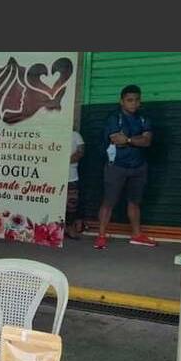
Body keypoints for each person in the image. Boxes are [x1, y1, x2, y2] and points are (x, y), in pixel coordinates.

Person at [94, 84, 156, 250]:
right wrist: (137, 139)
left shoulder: (143, 119)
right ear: (122, 101)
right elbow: (116, 140)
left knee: (134, 202)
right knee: (108, 202)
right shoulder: (114, 118)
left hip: (139, 167)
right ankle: (101, 236)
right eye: (129, 100)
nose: (134, 103)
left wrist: (128, 140)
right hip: (117, 166)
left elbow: (147, 141)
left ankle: (136, 235)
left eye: (136, 100)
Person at [65, 130, 85, 239]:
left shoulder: (76, 135)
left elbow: (80, 153)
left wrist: (62, 161)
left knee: (72, 204)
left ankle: (70, 227)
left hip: (71, 176)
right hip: (53, 175)